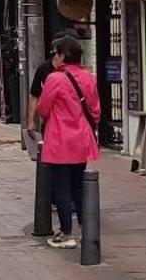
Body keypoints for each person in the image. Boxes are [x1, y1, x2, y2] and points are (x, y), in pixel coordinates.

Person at [28, 34, 100, 249]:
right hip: (82, 139)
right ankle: (87, 227)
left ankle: (66, 232)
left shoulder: (55, 79)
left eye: (56, 54)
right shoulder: (89, 77)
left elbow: (44, 108)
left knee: (61, 187)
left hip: (60, 139)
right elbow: (95, 110)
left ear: (62, 56)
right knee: (79, 185)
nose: (54, 58)